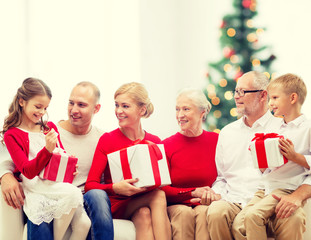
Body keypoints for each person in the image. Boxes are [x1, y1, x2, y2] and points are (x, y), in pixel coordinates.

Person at [0, 81, 114, 240]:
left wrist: (69, 165)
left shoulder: (50, 127)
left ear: (96, 109)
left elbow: (61, 155)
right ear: (21, 102)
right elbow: (21, 166)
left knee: (84, 222)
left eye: (45, 108)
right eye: (71, 103)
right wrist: (4, 175)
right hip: (39, 187)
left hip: (61, 186)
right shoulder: (17, 134)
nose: (74, 110)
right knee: (65, 198)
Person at [206, 71, 311, 240]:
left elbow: (299, 167)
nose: (236, 97)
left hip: (275, 195)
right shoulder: (226, 133)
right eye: (235, 91)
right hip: (236, 199)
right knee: (217, 212)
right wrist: (216, 194)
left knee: (294, 218)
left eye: (242, 91)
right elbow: (221, 177)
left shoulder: (283, 126)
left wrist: (297, 196)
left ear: (262, 95)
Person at [85, 82, 172, 240]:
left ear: (142, 110)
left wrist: (191, 192)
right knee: (158, 196)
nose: (119, 111)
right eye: (117, 105)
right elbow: (90, 185)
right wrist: (115, 188)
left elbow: (164, 185)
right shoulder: (108, 139)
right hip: (117, 203)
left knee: (144, 214)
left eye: (125, 106)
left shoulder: (154, 141)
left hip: (141, 203)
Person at [161, 88, 218, 240]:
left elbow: (228, 177)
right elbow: (161, 189)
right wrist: (192, 192)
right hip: (177, 206)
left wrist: (212, 196)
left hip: (206, 204)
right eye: (177, 109)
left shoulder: (217, 141)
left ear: (202, 112)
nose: (180, 115)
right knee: (183, 213)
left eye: (186, 109)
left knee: (204, 212)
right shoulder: (166, 145)